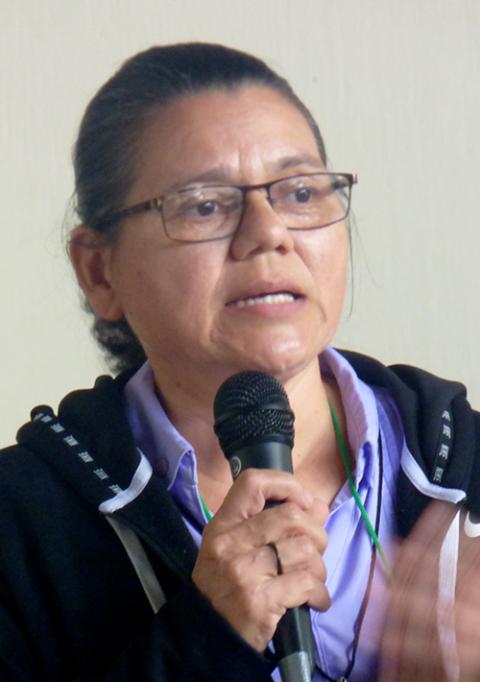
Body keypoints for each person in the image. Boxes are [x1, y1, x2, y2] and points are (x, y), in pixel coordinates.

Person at [1, 42, 480, 682]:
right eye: (204, 204)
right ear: (98, 269)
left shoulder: (467, 465)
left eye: (301, 192)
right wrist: (205, 644)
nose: (268, 232)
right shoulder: (22, 526)